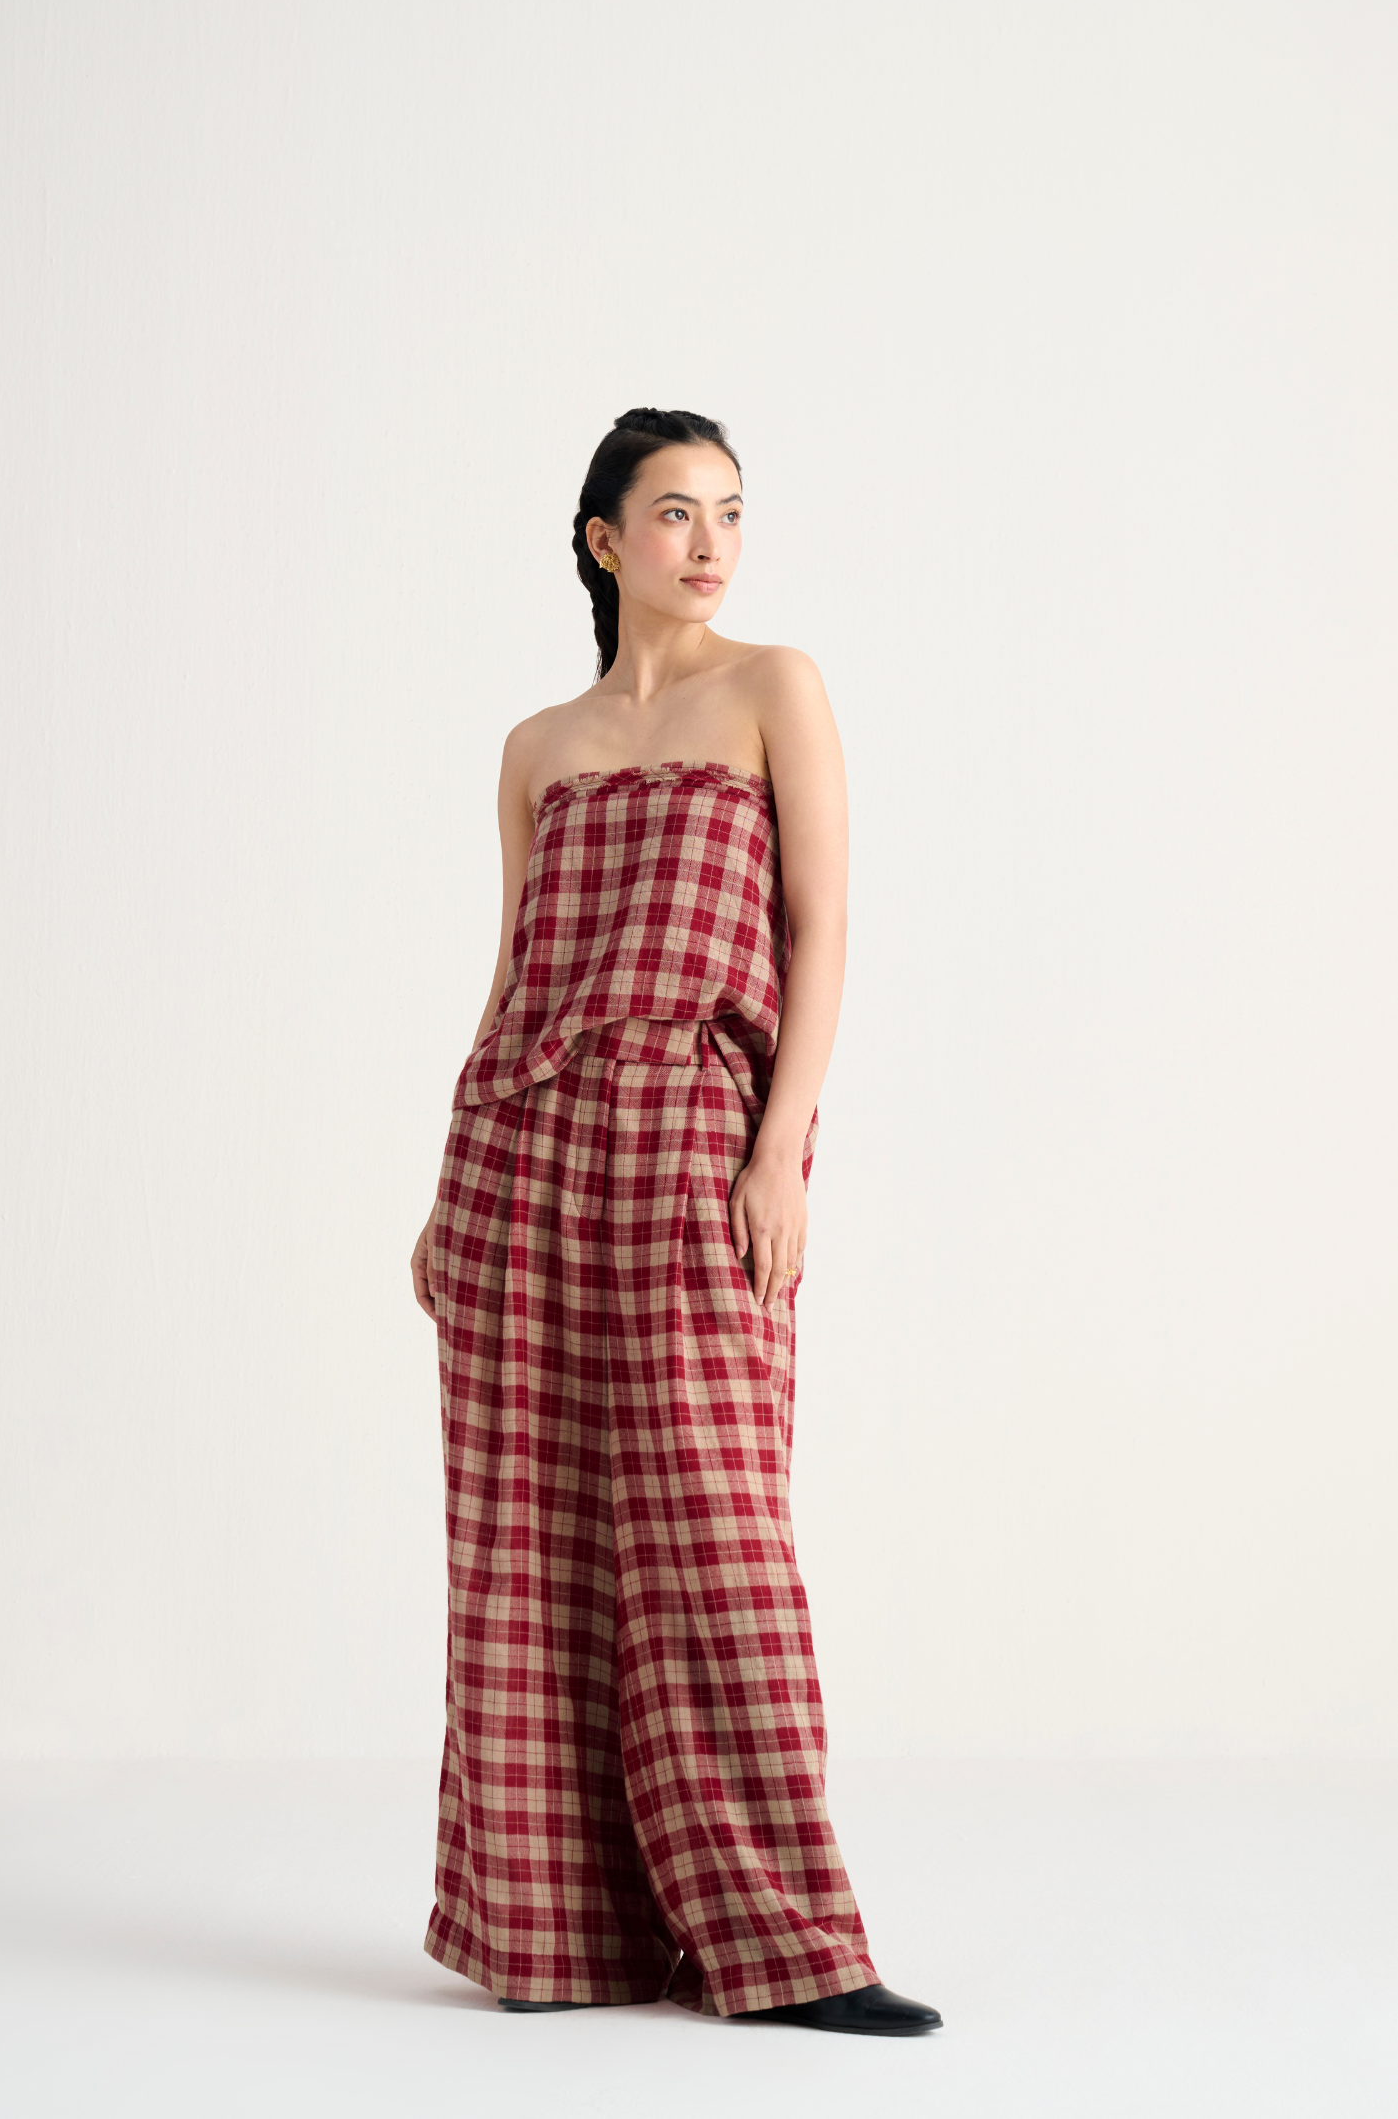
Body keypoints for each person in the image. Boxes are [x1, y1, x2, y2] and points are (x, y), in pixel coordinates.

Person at [410, 407, 941, 2038]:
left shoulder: (775, 687)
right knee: (528, 1534)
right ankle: (555, 1935)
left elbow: (822, 927)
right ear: (604, 540)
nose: (710, 544)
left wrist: (782, 1152)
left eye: (730, 511)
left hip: (695, 1134)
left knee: (715, 1528)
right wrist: (448, 1187)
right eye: (674, 513)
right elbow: (513, 974)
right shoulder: (538, 747)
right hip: (528, 1149)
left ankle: (792, 1947)